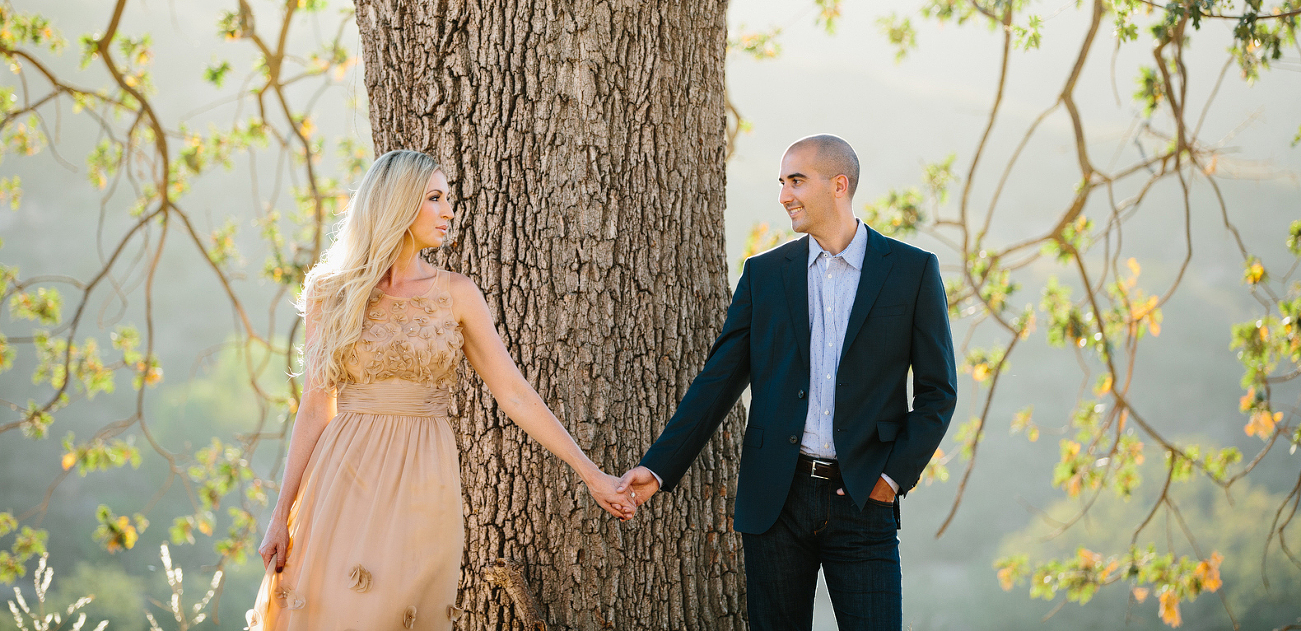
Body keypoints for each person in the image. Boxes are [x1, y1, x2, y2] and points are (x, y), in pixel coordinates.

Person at [249, 149, 632, 631]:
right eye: (434, 198)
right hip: (341, 476)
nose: (449, 211)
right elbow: (314, 406)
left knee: (396, 613)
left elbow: (514, 394)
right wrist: (281, 513)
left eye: (447, 198)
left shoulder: (457, 292)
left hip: (424, 480)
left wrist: (591, 472)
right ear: (396, 202)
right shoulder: (332, 290)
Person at [617, 134, 957, 631]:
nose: (784, 196)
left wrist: (891, 478)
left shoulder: (911, 271)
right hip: (776, 500)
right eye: (781, 182)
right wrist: (658, 468)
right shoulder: (764, 275)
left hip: (863, 500)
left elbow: (937, 393)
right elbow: (717, 384)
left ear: (839, 185)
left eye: (796, 180)